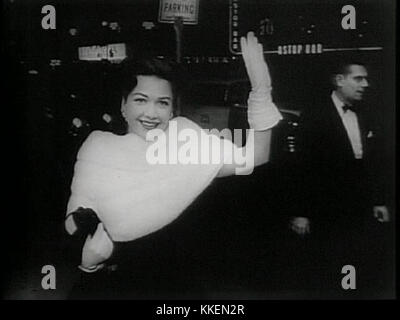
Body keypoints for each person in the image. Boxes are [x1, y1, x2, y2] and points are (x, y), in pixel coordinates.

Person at [64, 32, 283, 299]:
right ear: (123, 105)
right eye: (140, 100)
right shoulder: (98, 148)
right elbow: (73, 220)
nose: (151, 113)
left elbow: (255, 156)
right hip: (121, 285)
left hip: (182, 288)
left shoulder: (185, 138)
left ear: (172, 110)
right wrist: (89, 259)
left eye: (162, 103)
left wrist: (261, 90)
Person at [289, 60, 392, 296]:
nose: (365, 84)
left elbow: (373, 163)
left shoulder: (367, 112)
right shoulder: (315, 115)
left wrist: (378, 200)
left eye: (366, 79)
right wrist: (301, 212)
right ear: (339, 81)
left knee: (358, 264)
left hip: (360, 207)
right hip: (326, 209)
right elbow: (302, 168)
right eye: (358, 79)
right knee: (326, 268)